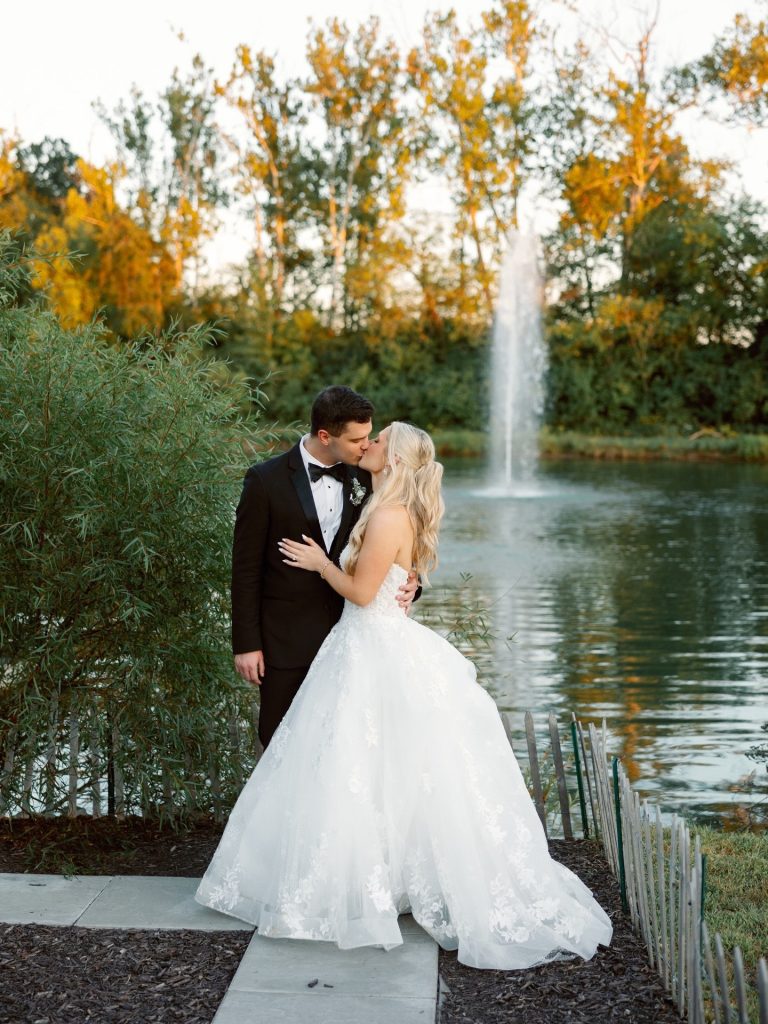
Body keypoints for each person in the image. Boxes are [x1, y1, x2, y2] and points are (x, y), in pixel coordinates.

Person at [196, 422, 613, 970]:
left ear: (392, 459)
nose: (367, 445)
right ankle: (379, 879)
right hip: (361, 642)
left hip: (370, 644)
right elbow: (394, 574)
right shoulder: (377, 501)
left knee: (358, 763)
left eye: (378, 440)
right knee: (371, 768)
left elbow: (365, 592)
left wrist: (323, 564)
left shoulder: (389, 513)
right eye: (364, 438)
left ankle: (364, 887)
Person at [231, 385, 418, 748]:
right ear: (325, 435)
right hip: (285, 641)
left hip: (353, 643)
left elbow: (398, 546)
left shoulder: (369, 477)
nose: (366, 446)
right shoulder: (265, 480)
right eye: (357, 439)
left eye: (370, 437)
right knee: (280, 744)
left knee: (344, 749)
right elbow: (245, 568)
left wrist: (413, 584)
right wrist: (246, 643)